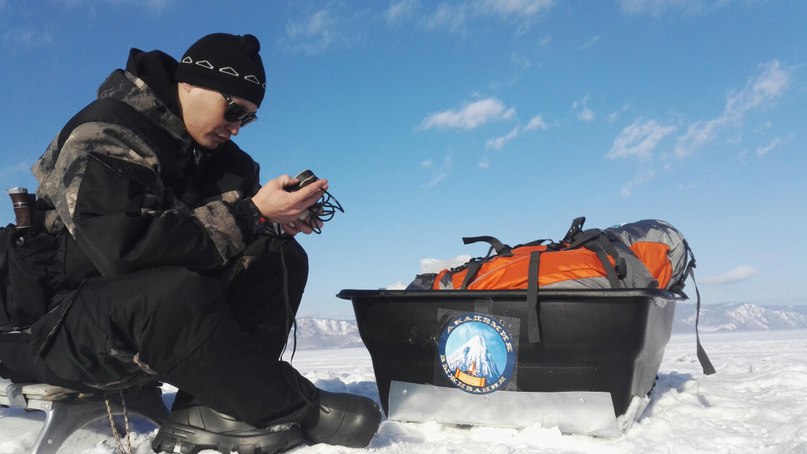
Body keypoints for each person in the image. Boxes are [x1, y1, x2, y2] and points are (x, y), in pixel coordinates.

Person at [0, 33, 380, 453]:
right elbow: (120, 251)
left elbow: (215, 246)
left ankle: (211, 410)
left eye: (248, 118)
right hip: (54, 328)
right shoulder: (107, 130)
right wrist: (251, 214)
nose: (237, 126)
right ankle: (290, 407)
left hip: (142, 326)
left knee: (279, 257)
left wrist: (270, 225)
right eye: (233, 109)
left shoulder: (227, 163)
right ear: (190, 84)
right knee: (172, 292)